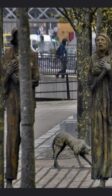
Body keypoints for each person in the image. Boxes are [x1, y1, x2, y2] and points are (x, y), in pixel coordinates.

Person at [2, 28, 40, 188]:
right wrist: (9, 74)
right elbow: (1, 82)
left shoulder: (32, 55)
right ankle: (9, 178)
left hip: (27, 102)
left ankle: (28, 176)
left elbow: (37, 79)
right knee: (12, 139)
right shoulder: (7, 55)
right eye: (18, 36)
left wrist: (24, 81)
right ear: (14, 38)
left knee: (27, 138)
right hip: (12, 102)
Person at [88, 33, 112, 187]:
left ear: (108, 43)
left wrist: (110, 71)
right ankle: (102, 177)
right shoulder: (92, 60)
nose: (99, 42)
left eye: (102, 40)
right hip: (98, 105)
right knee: (99, 140)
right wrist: (104, 72)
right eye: (97, 40)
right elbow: (90, 85)